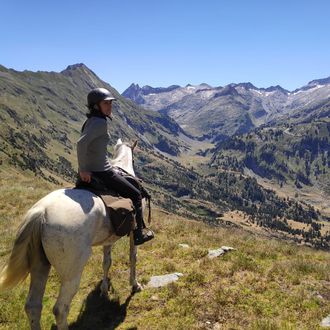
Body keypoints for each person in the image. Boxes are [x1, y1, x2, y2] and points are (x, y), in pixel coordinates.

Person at [76, 87, 155, 245]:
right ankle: (139, 234)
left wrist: (84, 168)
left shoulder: (90, 121)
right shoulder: (99, 122)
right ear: (95, 106)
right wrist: (83, 168)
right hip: (103, 172)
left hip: (93, 170)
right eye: (106, 103)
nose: (109, 107)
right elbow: (81, 143)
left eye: (110, 103)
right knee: (136, 195)